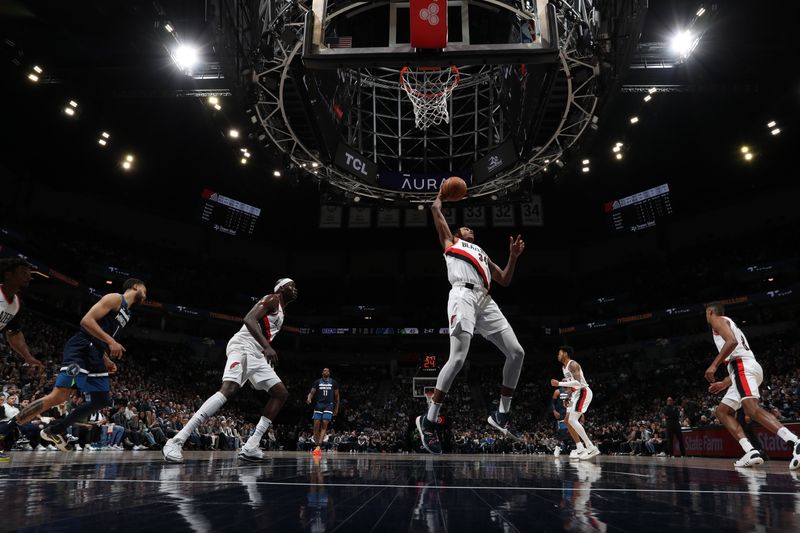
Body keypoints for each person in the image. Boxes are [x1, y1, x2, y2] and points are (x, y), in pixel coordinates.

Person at [416, 188, 526, 455]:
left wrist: (512, 257)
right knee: (457, 358)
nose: (469, 229)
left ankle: (501, 414)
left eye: (470, 229)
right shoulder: (451, 244)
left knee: (516, 352)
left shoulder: (481, 252)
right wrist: (441, 194)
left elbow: (504, 279)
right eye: (464, 228)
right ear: (456, 235)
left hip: (485, 300)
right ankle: (429, 421)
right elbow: (435, 210)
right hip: (462, 295)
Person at [162, 279, 297, 463]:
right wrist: (267, 347)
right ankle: (176, 440)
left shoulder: (282, 309)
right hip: (243, 346)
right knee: (229, 389)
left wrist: (263, 349)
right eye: (292, 286)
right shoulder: (272, 298)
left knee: (280, 393)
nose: (295, 289)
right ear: (281, 288)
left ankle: (251, 446)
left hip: (257, 353)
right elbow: (249, 318)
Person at [4, 279, 146, 453]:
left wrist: (105, 359)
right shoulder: (116, 298)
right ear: (136, 287)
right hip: (81, 348)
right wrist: (111, 341)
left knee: (101, 400)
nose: (146, 294)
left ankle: (54, 430)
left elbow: (99, 336)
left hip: (95, 353)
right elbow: (86, 322)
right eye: (145, 290)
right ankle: (5, 429)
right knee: (59, 396)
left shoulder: (127, 313)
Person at [704, 302, 800, 469]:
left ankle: (795, 442)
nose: (706, 316)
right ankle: (751, 451)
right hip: (743, 368)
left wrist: (714, 365)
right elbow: (737, 354)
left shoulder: (717, 320)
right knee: (722, 411)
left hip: (742, 367)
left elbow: (732, 342)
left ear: (710, 312)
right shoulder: (729, 323)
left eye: (706, 313)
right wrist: (725, 383)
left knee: (751, 410)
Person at [550, 346, 600, 460]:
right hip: (574, 395)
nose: (558, 355)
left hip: (583, 392)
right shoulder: (564, 368)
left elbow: (577, 383)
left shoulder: (573, 364)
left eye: (560, 353)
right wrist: (568, 396)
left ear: (566, 354)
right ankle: (580, 448)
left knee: (572, 420)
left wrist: (559, 384)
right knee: (567, 421)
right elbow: (571, 386)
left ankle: (591, 447)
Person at [306, 367, 339, 456]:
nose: (326, 371)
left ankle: (319, 446)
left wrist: (336, 408)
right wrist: (309, 398)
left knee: (324, 424)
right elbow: (311, 392)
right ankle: (316, 444)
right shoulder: (317, 382)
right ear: (322, 373)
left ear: (329, 373)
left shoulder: (333, 382)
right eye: (324, 370)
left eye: (328, 370)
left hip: (329, 405)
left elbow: (337, 397)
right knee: (316, 425)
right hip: (319, 405)